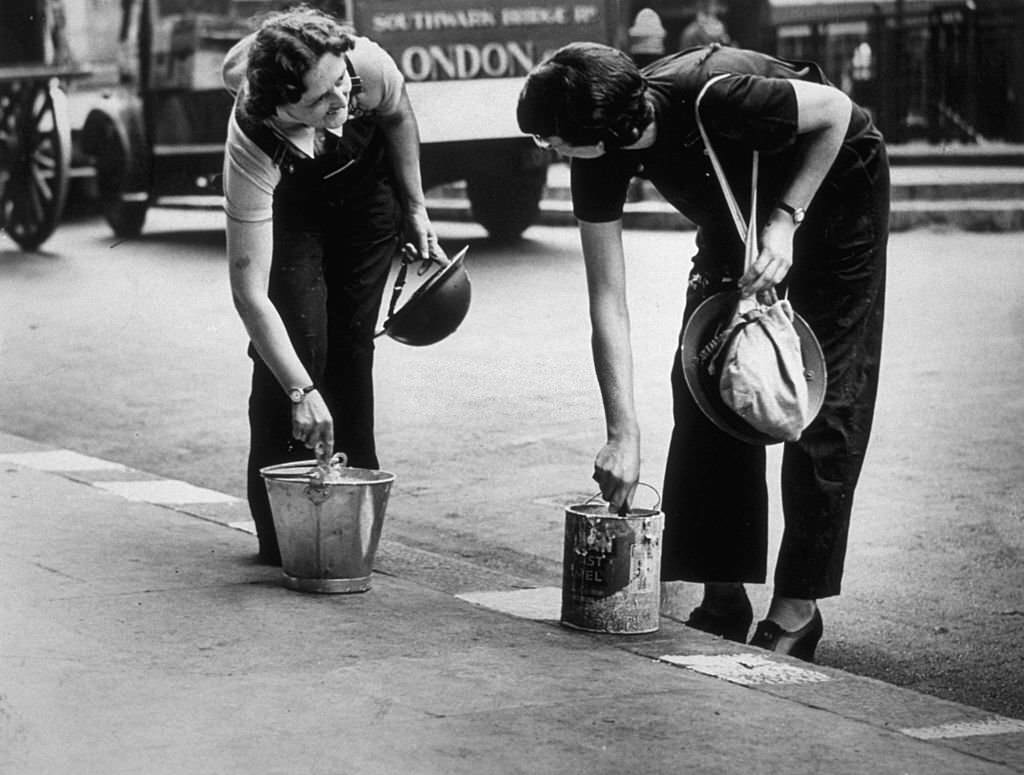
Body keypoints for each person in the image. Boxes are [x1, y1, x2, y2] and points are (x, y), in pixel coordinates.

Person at [517, 42, 888, 660]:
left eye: (551, 140)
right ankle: (724, 592)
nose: (549, 151)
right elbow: (607, 297)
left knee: (822, 395)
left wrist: (787, 218)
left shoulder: (716, 94)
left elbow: (836, 110)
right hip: (735, 210)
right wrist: (622, 433)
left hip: (832, 194)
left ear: (607, 130)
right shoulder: (596, 152)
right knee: (707, 380)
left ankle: (797, 609)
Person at [221, 6, 442, 565]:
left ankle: (352, 513)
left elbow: (396, 115)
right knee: (297, 338)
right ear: (280, 105)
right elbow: (249, 291)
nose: (341, 103)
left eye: (342, 84)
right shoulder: (252, 135)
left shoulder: (363, 62)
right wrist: (300, 391)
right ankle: (282, 524)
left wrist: (415, 208)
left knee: (351, 343)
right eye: (320, 100)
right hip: (292, 205)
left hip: (365, 193)